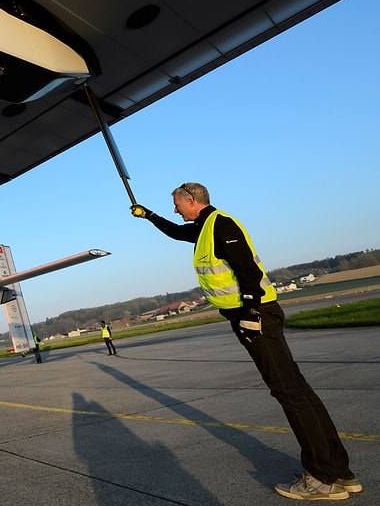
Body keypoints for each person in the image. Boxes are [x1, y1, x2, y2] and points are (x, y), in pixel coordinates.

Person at [132, 182, 360, 500]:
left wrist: (251, 314)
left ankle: (322, 478)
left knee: (290, 394)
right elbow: (176, 232)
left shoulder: (220, 224)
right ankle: (340, 472)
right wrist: (149, 216)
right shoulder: (204, 228)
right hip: (254, 317)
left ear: (192, 201)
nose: (175, 210)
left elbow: (248, 272)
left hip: (256, 318)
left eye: (176, 204)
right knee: (298, 391)